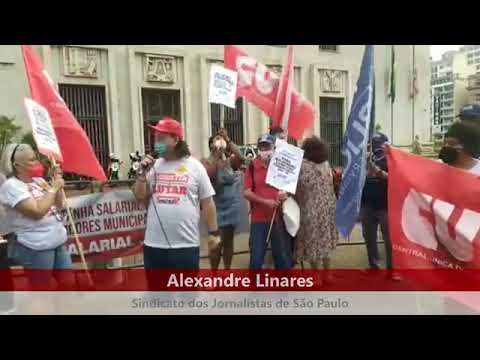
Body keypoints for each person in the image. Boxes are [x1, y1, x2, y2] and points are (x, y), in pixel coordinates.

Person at [132, 117, 221, 274]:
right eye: (155, 138)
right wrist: (141, 175)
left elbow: (208, 203)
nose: (156, 143)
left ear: (175, 140)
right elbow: (140, 197)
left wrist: (214, 233)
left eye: (161, 138)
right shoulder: (154, 166)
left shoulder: (195, 167)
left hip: (185, 246)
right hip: (154, 246)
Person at [0, 143, 75, 290]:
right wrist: (53, 188)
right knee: (42, 290)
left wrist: (56, 181)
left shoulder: (39, 181)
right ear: (17, 165)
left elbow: (59, 203)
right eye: (31, 160)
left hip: (57, 241)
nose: (37, 163)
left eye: (36, 158)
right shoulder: (11, 186)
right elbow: (37, 211)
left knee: (68, 284)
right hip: (36, 246)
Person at [293, 136, 339, 281]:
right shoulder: (326, 165)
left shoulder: (302, 166)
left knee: (313, 242)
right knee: (325, 242)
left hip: (310, 210)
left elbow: (296, 187)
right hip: (328, 209)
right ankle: (328, 273)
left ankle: (316, 276)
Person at [244, 134, 292, 269]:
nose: (264, 150)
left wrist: (285, 194)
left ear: (273, 148)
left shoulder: (281, 165)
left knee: (282, 259)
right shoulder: (252, 167)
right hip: (258, 220)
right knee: (256, 260)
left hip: (278, 219)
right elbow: (246, 192)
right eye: (261, 146)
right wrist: (266, 202)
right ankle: (256, 287)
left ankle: (282, 286)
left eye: (267, 146)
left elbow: (289, 187)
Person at [360, 132, 400, 281]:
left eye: (379, 145)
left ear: (386, 145)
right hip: (367, 205)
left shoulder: (392, 160)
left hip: (385, 206)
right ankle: (373, 266)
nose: (376, 148)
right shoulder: (365, 159)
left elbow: (395, 179)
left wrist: (377, 171)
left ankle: (392, 269)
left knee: (389, 240)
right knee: (369, 238)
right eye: (373, 144)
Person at [202, 132, 243, 270]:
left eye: (221, 141)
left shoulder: (229, 161)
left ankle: (227, 271)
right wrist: (215, 156)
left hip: (231, 206)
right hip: (215, 207)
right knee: (216, 243)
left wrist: (228, 140)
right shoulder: (206, 162)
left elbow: (240, 157)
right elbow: (207, 174)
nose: (219, 142)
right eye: (216, 141)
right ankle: (214, 273)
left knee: (228, 241)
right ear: (211, 146)